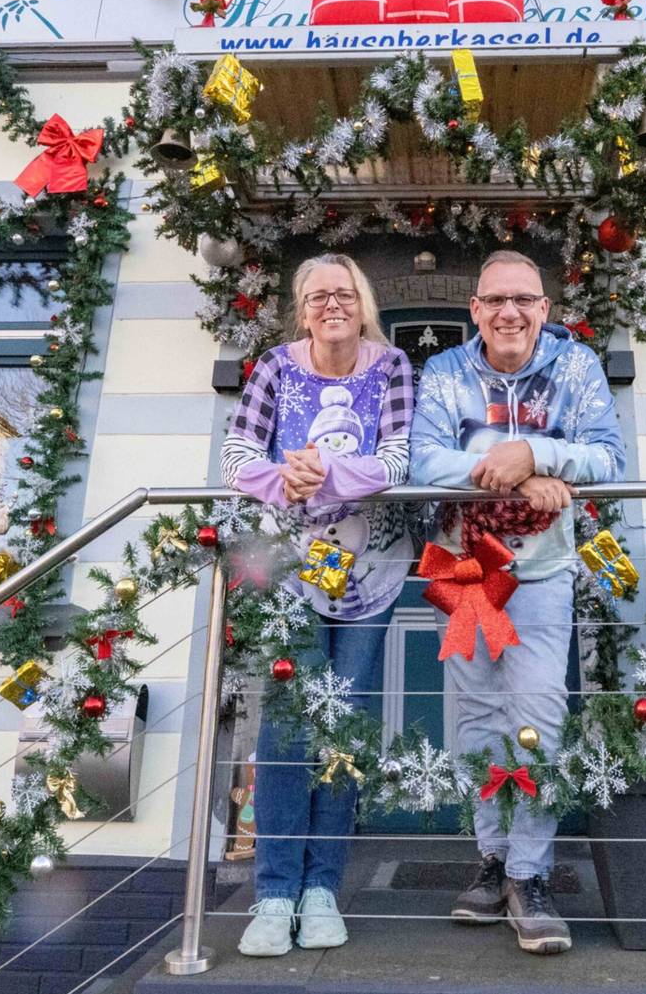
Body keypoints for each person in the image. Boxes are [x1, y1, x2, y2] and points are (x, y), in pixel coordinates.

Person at [408, 250, 627, 956]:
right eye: (496, 300)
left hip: (541, 573)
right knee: (477, 716)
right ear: (475, 309)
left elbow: (608, 456)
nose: (510, 312)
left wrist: (537, 454)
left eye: (524, 299)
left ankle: (529, 874)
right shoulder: (445, 371)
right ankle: (493, 860)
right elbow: (421, 459)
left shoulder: (576, 367)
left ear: (544, 309)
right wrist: (512, 473)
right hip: (464, 566)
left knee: (536, 715)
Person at [221, 253, 414, 958]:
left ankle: (322, 888)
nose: (333, 304)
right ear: (302, 311)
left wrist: (326, 468)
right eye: (318, 295)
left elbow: (399, 458)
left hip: (372, 567)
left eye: (345, 294)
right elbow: (236, 454)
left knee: (343, 721)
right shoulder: (276, 366)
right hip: (290, 569)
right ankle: (275, 891)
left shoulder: (391, 367)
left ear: (363, 306)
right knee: (287, 723)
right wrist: (286, 476)